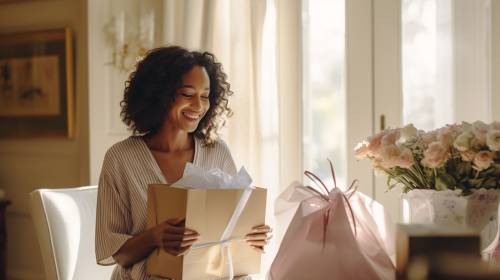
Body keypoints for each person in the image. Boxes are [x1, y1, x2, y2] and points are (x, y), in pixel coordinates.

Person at [95, 46, 273, 280]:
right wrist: (153, 237)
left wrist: (253, 237)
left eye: (205, 96)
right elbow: (116, 254)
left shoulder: (218, 152)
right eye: (188, 95)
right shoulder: (120, 159)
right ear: (159, 94)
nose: (199, 106)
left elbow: (234, 233)